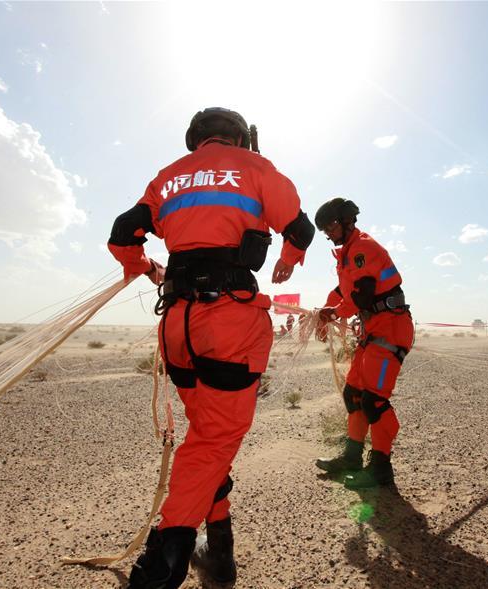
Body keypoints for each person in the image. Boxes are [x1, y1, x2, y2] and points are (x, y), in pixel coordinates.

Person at [107, 107, 314, 589]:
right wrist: (288, 260)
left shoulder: (168, 177)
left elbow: (122, 232)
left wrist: (144, 266)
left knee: (205, 435)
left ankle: (219, 557)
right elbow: (299, 229)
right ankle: (164, 557)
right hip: (229, 320)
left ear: (196, 140)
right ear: (240, 138)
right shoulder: (257, 168)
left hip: (177, 324)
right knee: (214, 441)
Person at [313, 198, 414, 489]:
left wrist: (332, 314)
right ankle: (352, 458)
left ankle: (381, 467)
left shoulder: (363, 249)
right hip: (373, 329)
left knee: (374, 400)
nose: (328, 233)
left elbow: (362, 298)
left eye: (330, 226)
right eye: (324, 229)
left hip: (391, 328)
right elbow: (341, 290)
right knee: (353, 394)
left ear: (347, 221)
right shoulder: (347, 254)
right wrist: (324, 311)